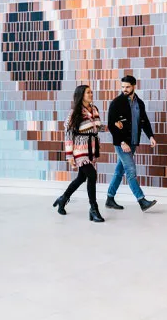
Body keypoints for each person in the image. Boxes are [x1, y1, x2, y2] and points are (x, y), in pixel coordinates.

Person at [53, 85, 105, 222]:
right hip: (80, 150)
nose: (91, 94)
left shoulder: (94, 109)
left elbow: (97, 127)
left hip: (92, 149)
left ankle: (63, 199)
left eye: (91, 92)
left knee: (82, 178)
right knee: (92, 175)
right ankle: (94, 209)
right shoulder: (74, 112)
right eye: (88, 92)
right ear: (81, 95)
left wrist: (112, 126)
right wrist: (69, 156)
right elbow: (68, 134)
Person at [105, 75, 158, 212]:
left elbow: (144, 121)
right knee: (130, 171)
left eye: (127, 87)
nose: (125, 89)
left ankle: (110, 198)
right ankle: (142, 201)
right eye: (123, 87)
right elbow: (111, 125)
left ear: (134, 86)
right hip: (122, 144)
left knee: (119, 171)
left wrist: (151, 136)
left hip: (133, 142)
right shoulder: (116, 103)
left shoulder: (139, 103)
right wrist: (122, 142)